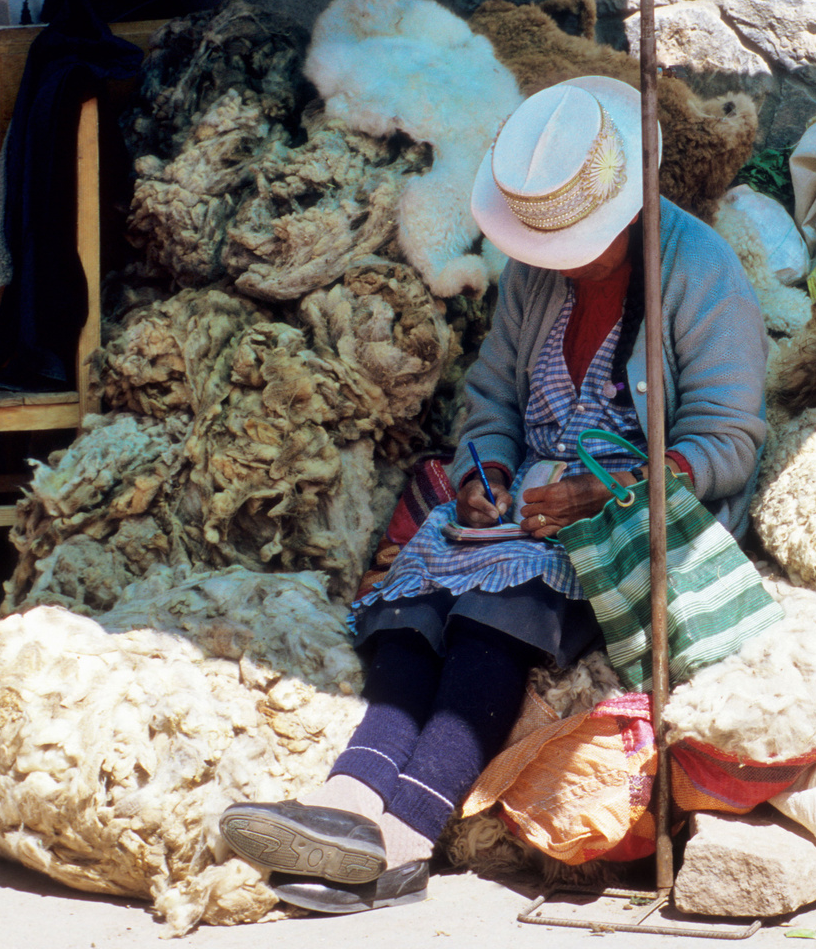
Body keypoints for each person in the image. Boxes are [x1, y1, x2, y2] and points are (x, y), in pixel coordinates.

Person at [217, 75, 768, 913]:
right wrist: (486, 474)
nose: (561, 260)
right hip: (526, 513)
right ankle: (348, 804)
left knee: (494, 619)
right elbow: (493, 400)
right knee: (411, 609)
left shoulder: (701, 272)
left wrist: (611, 489)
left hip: (634, 525)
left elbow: (728, 443)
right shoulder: (534, 275)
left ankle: (401, 840)